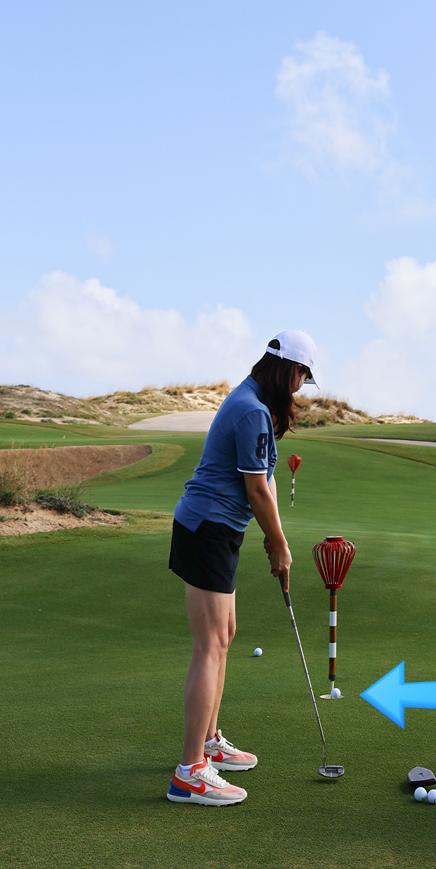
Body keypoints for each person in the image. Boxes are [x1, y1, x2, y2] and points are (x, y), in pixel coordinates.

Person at [165, 329, 317, 806]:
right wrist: (279, 542)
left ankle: (208, 744)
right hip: (206, 528)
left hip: (220, 530)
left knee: (225, 635)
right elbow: (255, 490)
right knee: (209, 645)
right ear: (285, 368)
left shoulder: (255, 403)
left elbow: (266, 482)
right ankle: (189, 773)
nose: (299, 387)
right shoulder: (251, 409)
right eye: (300, 376)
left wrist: (276, 541)